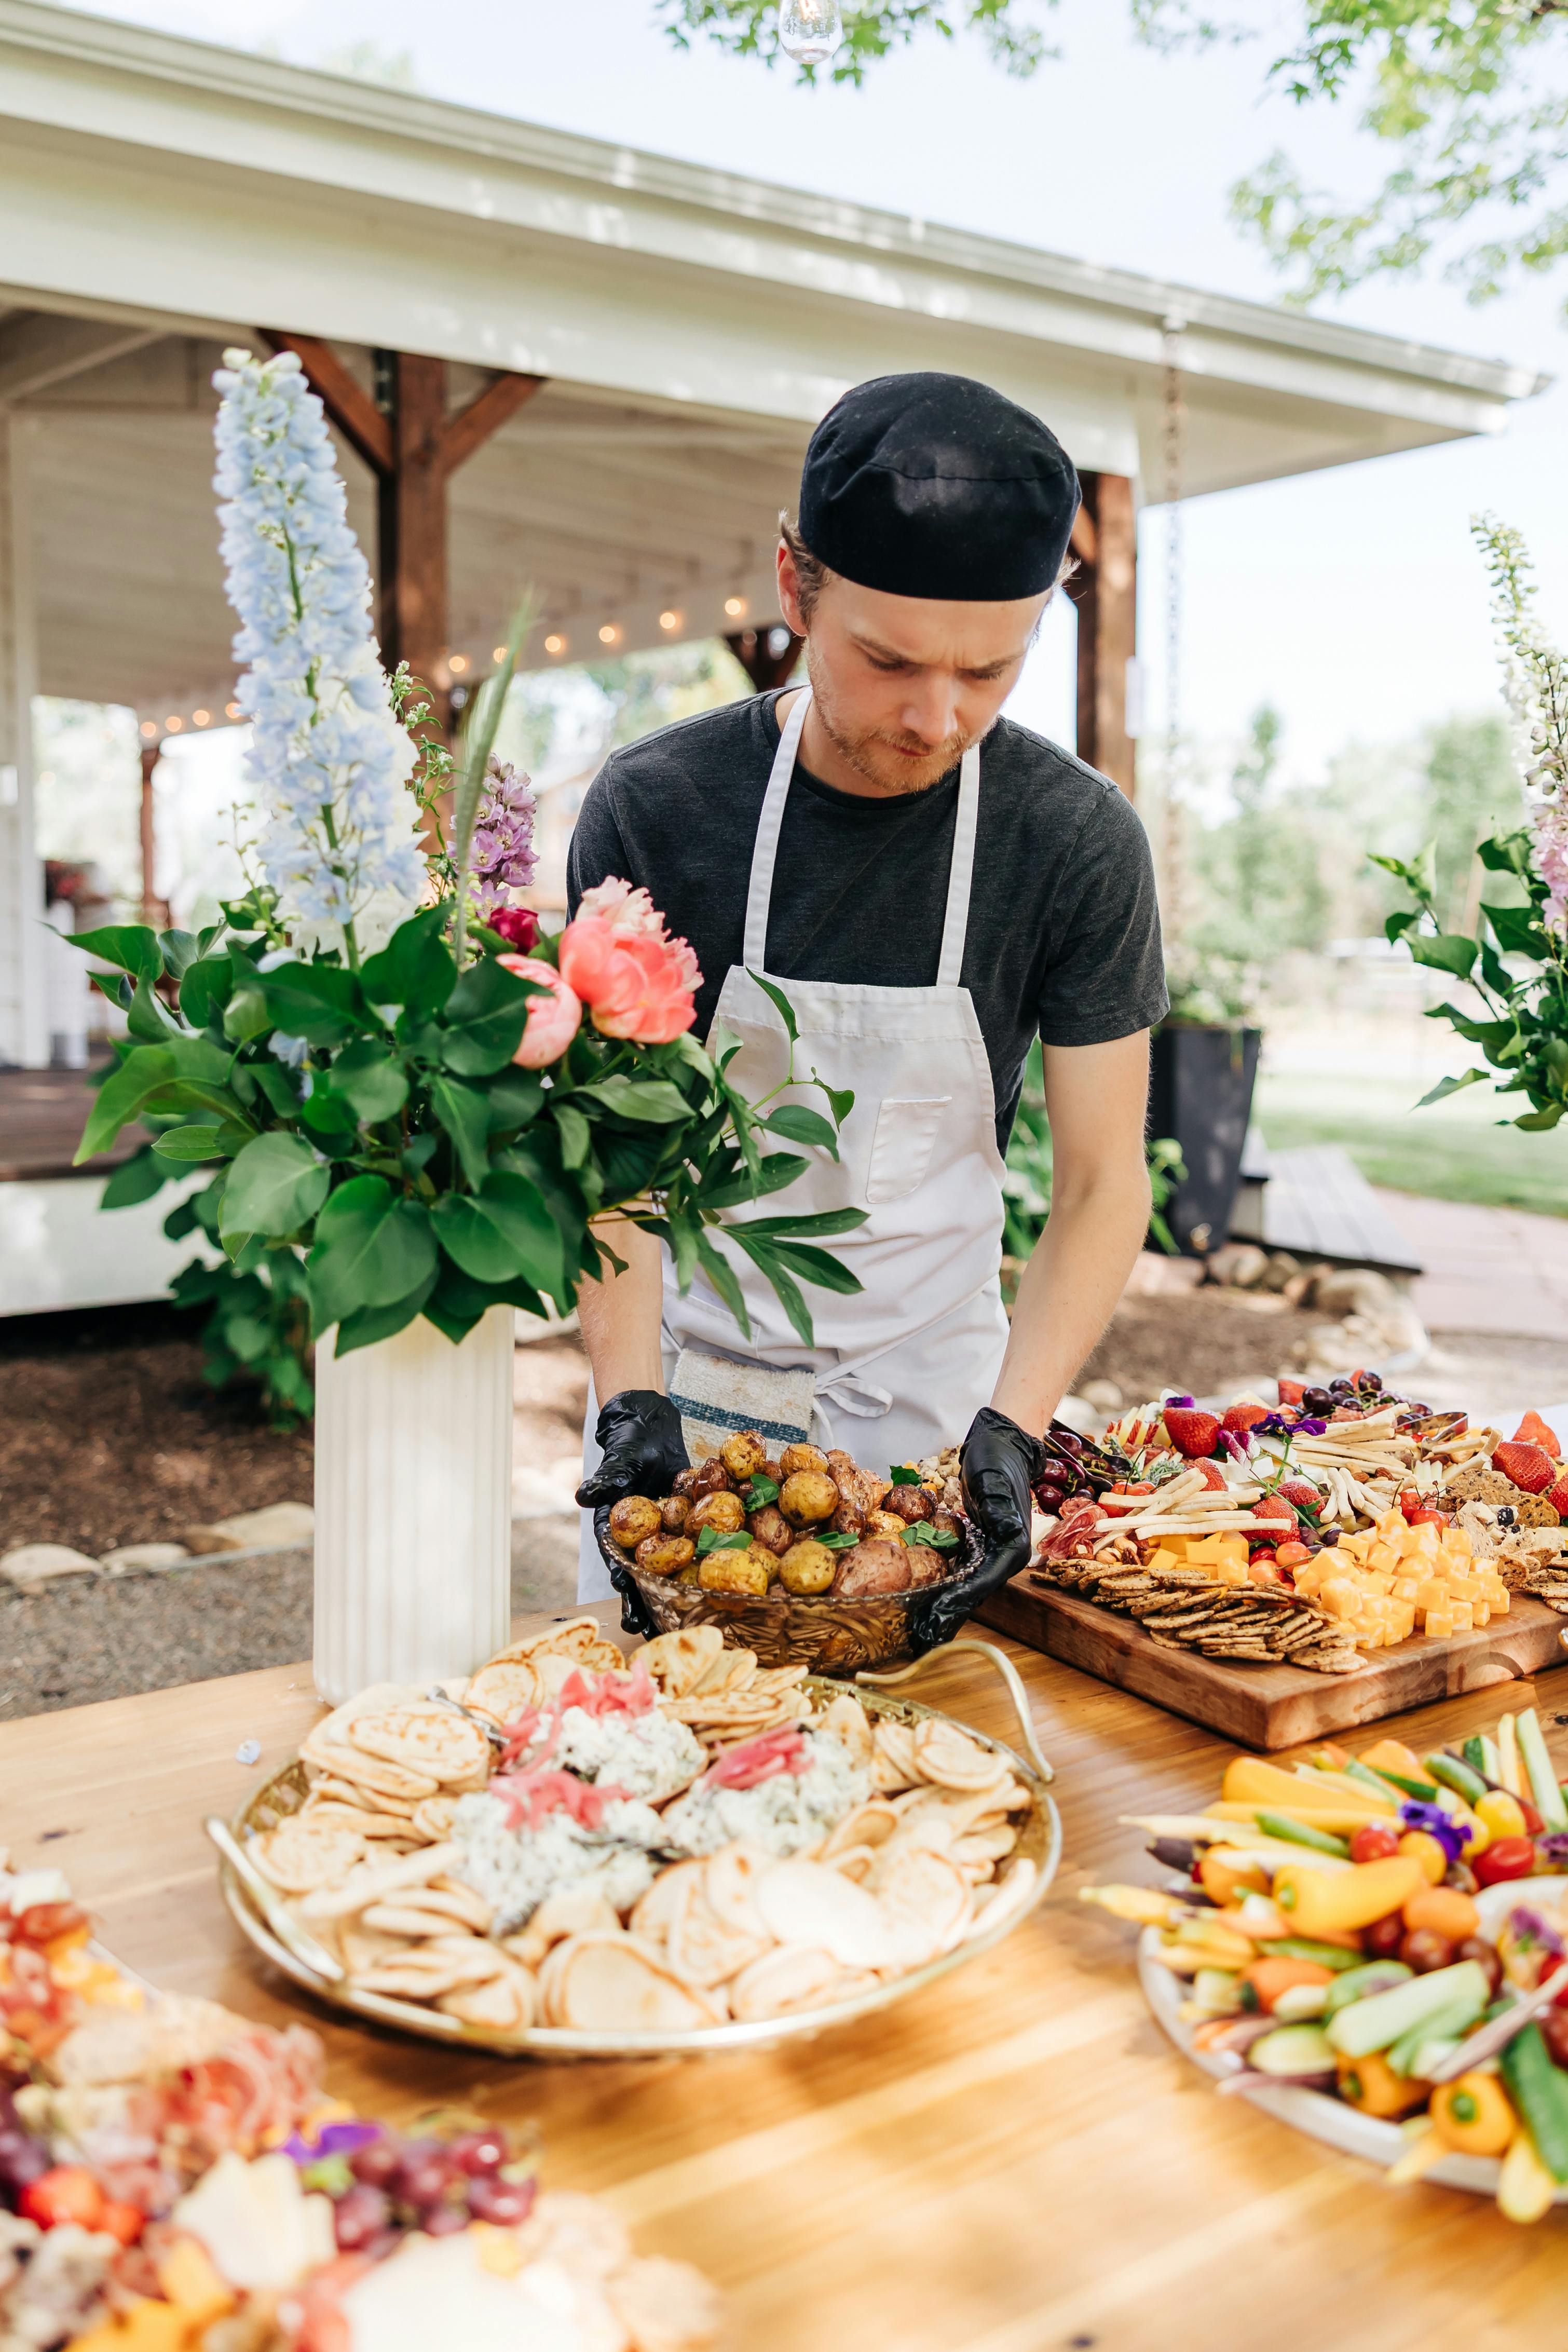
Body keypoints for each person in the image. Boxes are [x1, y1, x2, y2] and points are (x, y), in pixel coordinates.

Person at [568, 370, 1165, 1606]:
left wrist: (1015, 1432)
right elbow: (610, 1161)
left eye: (988, 672)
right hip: (683, 1413)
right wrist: (627, 1402)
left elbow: (1101, 1183)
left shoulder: (1073, 841)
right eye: (889, 660)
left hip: (937, 1428)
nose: (935, 719)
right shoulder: (656, 805)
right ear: (796, 587)